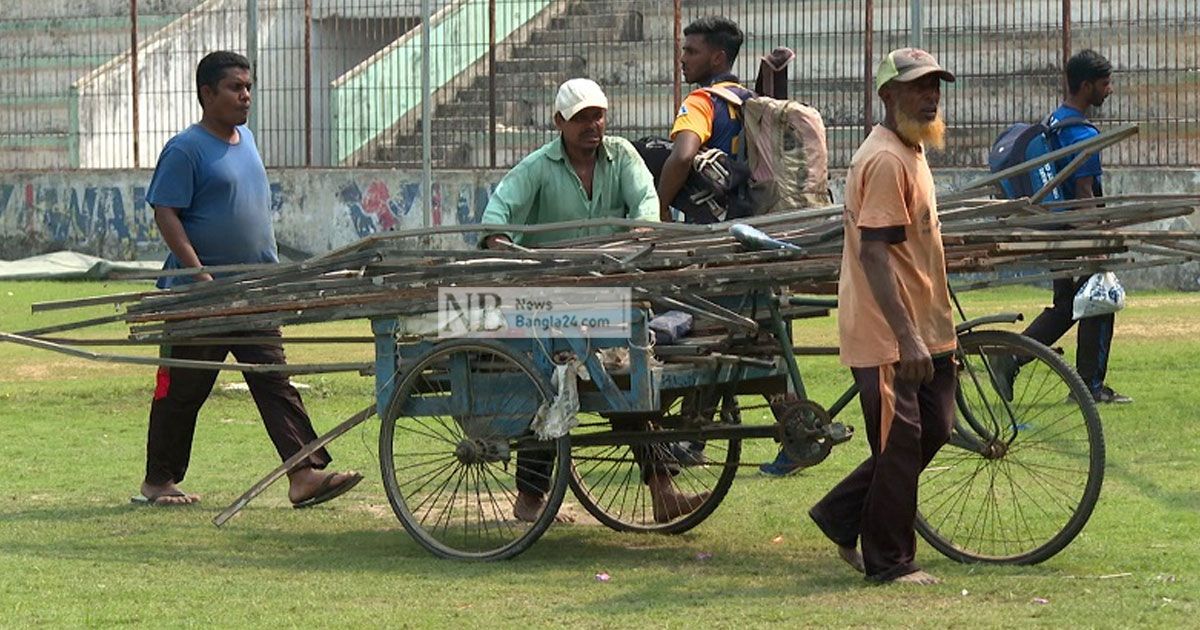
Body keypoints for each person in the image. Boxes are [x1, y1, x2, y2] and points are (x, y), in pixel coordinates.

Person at [134, 51, 362, 507]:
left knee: (273, 378)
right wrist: (198, 273)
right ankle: (158, 482)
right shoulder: (185, 148)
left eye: (248, 87)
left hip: (253, 291)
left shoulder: (249, 139)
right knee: (183, 389)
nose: (245, 96)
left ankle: (304, 475)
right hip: (201, 295)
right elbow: (166, 211)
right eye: (235, 87)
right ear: (206, 94)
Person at [481, 78, 710, 524]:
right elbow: (496, 223)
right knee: (551, 380)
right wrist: (520, 260)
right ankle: (531, 497)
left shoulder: (622, 155)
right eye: (582, 117)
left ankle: (661, 489)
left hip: (608, 295)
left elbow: (646, 204)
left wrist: (638, 237)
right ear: (559, 122)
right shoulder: (537, 168)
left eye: (598, 115)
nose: (593, 125)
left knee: (618, 379)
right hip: (548, 300)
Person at [807, 48, 959, 585]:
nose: (931, 95)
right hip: (889, 330)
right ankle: (890, 560)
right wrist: (906, 337)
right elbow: (874, 254)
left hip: (926, 324)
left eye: (936, 85)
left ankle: (841, 513)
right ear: (888, 95)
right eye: (919, 86)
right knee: (899, 444)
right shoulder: (887, 158)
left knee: (935, 427)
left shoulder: (911, 148)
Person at [997, 49, 1130, 404]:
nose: (1109, 90)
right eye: (1105, 83)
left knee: (1069, 306)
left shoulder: (1053, 121)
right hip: (1074, 231)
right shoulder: (1082, 134)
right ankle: (1089, 387)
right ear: (1086, 86)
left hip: (1054, 227)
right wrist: (1096, 238)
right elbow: (1084, 193)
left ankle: (1012, 357)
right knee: (1097, 301)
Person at [655, 16, 751, 223]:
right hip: (751, 213)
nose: (682, 59)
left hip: (711, 220)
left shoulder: (702, 100)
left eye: (692, 52)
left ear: (717, 58)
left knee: (648, 148)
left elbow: (682, 157)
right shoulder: (751, 100)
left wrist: (660, 207)